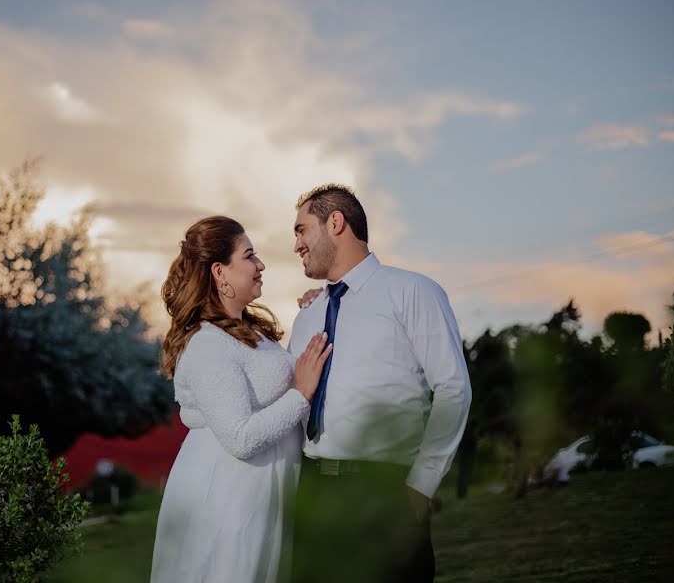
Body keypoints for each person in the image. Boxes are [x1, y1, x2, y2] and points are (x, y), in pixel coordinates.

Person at [288, 184, 472, 582]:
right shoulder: (306, 316)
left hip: (385, 492)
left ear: (335, 222)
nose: (297, 245)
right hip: (312, 493)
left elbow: (453, 388)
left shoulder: (413, 291)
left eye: (302, 230)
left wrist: (423, 484)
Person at [150, 216, 333, 583]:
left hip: (260, 493)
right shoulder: (206, 344)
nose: (261, 265)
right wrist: (302, 394)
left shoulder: (248, 332)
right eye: (250, 256)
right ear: (220, 272)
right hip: (227, 499)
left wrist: (318, 307)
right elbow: (241, 437)